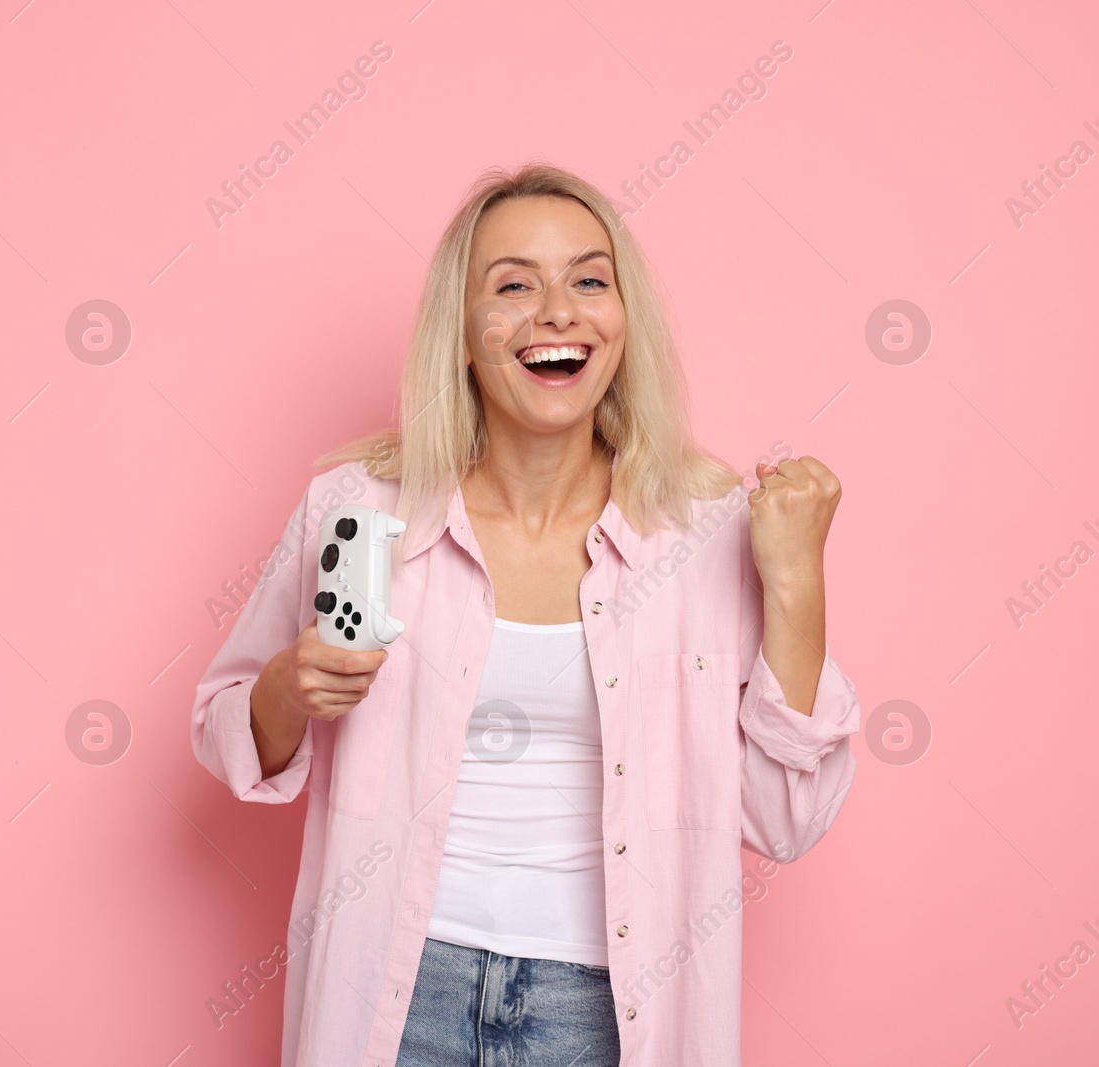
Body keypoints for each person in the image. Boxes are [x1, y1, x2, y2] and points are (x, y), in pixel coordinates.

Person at [190, 162, 860, 1067]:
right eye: (514, 285)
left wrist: (797, 587)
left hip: (608, 1009)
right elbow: (226, 732)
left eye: (590, 279)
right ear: (462, 334)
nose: (558, 311)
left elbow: (787, 820)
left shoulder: (707, 533)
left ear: (624, 324)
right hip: (398, 988)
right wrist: (284, 686)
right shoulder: (364, 509)